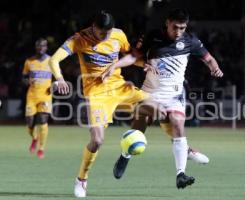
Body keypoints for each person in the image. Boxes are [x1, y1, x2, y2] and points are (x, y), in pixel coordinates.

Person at [101, 8, 223, 189]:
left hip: (174, 94)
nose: (179, 32)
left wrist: (215, 68)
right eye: (175, 27)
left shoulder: (190, 40)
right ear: (167, 23)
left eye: (182, 28)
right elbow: (133, 57)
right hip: (151, 90)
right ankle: (125, 155)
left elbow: (209, 58)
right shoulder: (152, 36)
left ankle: (180, 174)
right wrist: (114, 66)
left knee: (177, 122)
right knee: (140, 128)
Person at [49, 11, 159, 198]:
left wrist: (144, 65)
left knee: (158, 109)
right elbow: (54, 60)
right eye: (102, 34)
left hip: (120, 87)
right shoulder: (79, 39)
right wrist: (59, 79)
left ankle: (128, 149)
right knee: (97, 140)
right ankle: (81, 179)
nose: (105, 37)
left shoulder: (118, 34)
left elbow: (131, 56)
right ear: (93, 27)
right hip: (97, 94)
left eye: (108, 33)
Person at [22, 38, 52, 159]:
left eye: (43, 46)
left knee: (43, 120)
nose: (41, 48)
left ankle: (41, 148)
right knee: (29, 122)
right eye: (39, 46)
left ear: (46, 47)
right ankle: (35, 138)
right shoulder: (29, 61)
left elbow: (58, 77)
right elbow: (23, 77)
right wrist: (27, 81)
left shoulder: (51, 61)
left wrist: (55, 86)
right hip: (32, 96)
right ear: (36, 47)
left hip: (45, 96)